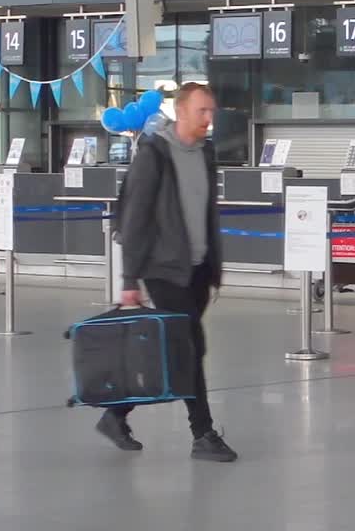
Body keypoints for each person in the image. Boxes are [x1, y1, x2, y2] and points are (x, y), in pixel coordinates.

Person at [97, 83, 238, 462]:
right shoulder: (155, 154)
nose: (209, 119)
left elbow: (205, 211)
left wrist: (213, 267)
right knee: (190, 349)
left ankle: (116, 414)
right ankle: (203, 434)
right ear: (181, 112)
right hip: (164, 270)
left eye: (212, 111)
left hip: (196, 270)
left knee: (176, 351)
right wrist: (130, 281)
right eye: (202, 111)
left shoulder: (205, 153)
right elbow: (135, 217)